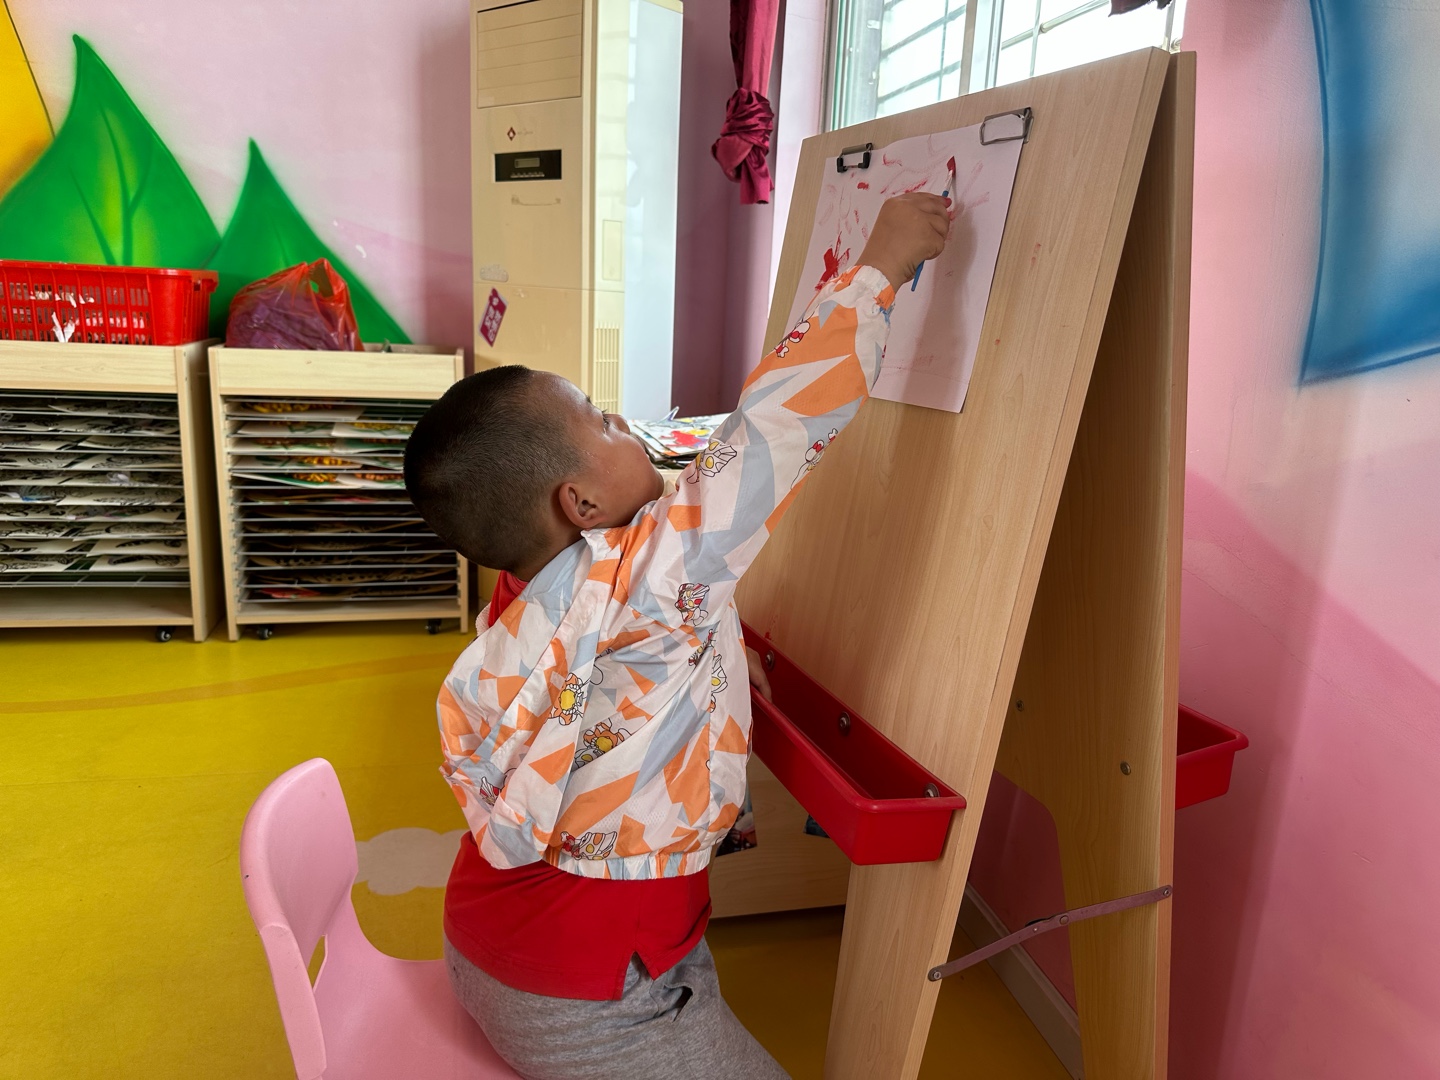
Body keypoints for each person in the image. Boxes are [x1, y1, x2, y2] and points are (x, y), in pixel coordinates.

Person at [403, 192, 950, 1079]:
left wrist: (721, 662)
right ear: (580, 503)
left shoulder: (527, 586)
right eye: (603, 419)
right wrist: (878, 271)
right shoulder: (656, 576)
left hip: (500, 940)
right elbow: (775, 430)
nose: (626, 422)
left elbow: (627, 657)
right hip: (589, 995)